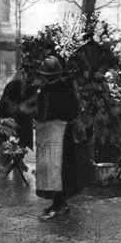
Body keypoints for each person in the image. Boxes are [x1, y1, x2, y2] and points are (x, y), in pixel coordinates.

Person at [35, 55, 79, 219]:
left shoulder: (47, 91)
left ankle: (58, 205)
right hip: (63, 132)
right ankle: (59, 203)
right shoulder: (66, 88)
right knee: (59, 170)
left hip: (53, 133)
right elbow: (74, 111)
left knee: (53, 170)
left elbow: (42, 113)